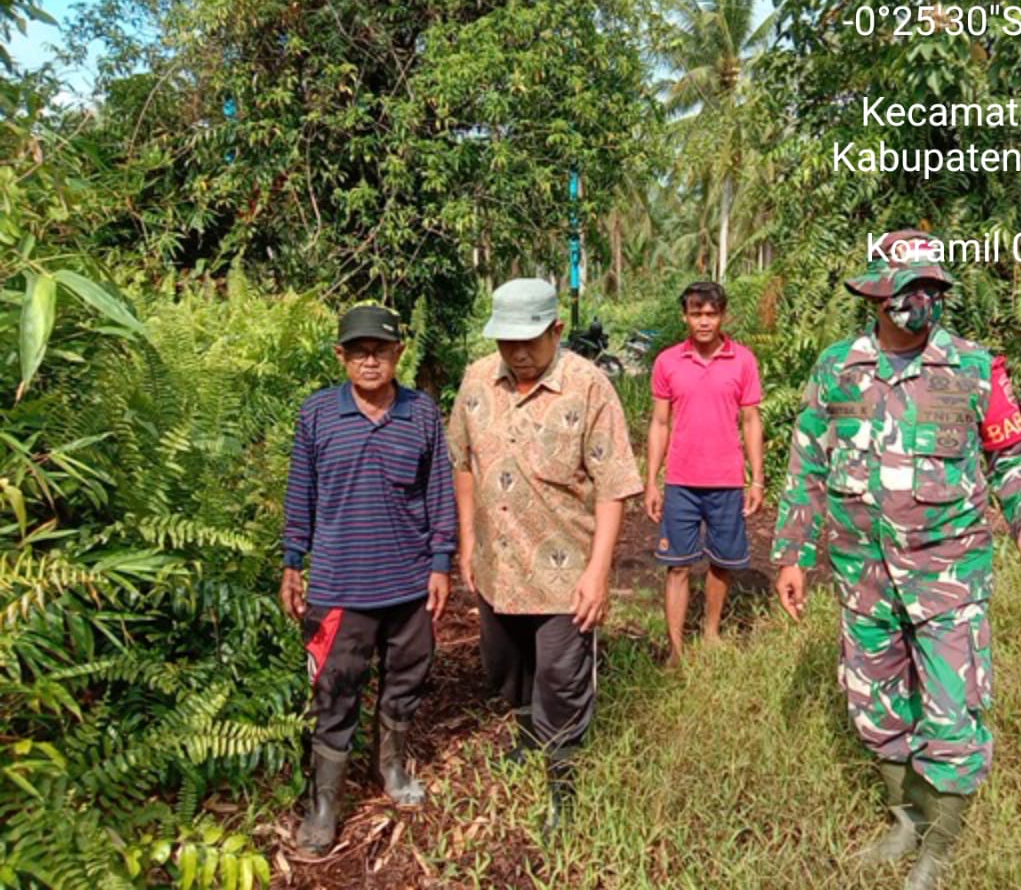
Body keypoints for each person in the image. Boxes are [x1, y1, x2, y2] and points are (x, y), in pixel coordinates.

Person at [770, 232, 1021, 890]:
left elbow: (1012, 451)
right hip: (862, 575)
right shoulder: (836, 369)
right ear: (874, 292)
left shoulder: (975, 367)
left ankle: (937, 849)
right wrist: (791, 552)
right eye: (906, 288)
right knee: (877, 710)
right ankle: (904, 820)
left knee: (952, 717)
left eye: (930, 288)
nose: (919, 300)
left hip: (949, 575)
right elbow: (806, 464)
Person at [447, 278, 642, 832]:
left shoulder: (589, 387)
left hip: (565, 567)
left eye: (529, 340)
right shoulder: (477, 380)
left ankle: (563, 775)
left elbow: (612, 486)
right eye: (507, 342)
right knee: (506, 665)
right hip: (497, 562)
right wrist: (467, 539)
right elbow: (462, 462)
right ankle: (529, 732)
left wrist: (599, 572)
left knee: (561, 672)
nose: (518, 353)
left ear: (557, 329)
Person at [280, 303, 457, 857]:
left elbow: (440, 495)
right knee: (335, 694)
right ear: (341, 357)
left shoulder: (422, 413)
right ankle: (324, 806)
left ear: (399, 353)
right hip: (338, 587)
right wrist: (292, 561)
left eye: (380, 349)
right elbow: (300, 493)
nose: (370, 360)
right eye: (358, 351)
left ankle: (392, 769)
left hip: (407, 585)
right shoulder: (316, 415)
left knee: (405, 681)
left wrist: (441, 563)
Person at [644, 281, 765, 666]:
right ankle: (676, 648)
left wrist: (757, 478)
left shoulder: (743, 360)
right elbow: (659, 424)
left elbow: (751, 421)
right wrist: (651, 481)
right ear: (685, 317)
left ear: (722, 316)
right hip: (680, 481)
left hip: (727, 480)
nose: (703, 321)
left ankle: (711, 632)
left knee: (722, 561)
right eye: (696, 314)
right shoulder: (667, 362)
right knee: (678, 565)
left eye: (710, 314)